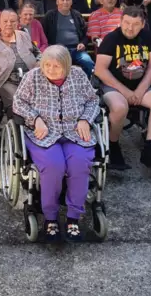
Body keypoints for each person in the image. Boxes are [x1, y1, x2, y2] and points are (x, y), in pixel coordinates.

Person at [13, 45, 99, 242]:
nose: (50, 70)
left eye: (56, 66)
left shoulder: (78, 76)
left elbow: (93, 100)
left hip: (74, 131)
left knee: (79, 164)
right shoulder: (33, 77)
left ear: (66, 66)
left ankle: (73, 217)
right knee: (54, 165)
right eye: (47, 65)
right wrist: (35, 119)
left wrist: (85, 120)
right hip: (44, 133)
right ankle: (50, 217)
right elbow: (18, 102)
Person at [94, 6, 151, 171]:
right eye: (127, 23)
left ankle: (150, 148)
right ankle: (113, 145)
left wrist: (139, 91)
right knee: (119, 107)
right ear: (121, 21)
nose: (130, 28)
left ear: (142, 24)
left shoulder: (149, 37)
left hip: (140, 88)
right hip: (114, 87)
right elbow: (100, 70)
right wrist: (127, 92)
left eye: (136, 24)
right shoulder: (111, 38)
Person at [0, 9, 40, 149]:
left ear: (17, 23)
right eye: (5, 21)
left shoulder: (24, 36)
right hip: (4, 79)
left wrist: (39, 60)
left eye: (12, 21)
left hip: (29, 78)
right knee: (16, 100)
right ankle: (17, 135)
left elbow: (37, 52)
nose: (9, 24)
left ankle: (36, 130)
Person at [42, 0, 93, 77]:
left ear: (71, 2)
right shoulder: (50, 16)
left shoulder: (76, 15)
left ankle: (86, 82)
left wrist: (83, 43)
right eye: (62, 0)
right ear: (57, 2)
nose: (65, 2)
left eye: (67, 0)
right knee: (59, 66)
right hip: (57, 50)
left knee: (87, 62)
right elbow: (43, 35)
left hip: (76, 50)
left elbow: (86, 34)